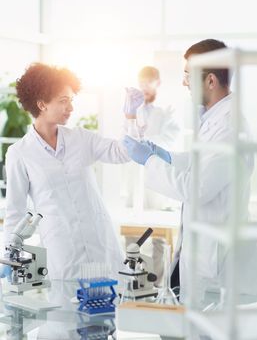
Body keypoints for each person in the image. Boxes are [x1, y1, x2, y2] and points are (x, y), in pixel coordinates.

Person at [123, 39, 256, 304]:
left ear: (210, 81)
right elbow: (201, 163)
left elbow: (197, 187)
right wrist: (165, 155)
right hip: (200, 251)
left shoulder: (228, 125)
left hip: (214, 261)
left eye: (187, 75)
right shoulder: (213, 118)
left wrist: (150, 161)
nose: (184, 82)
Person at [1, 63, 130, 281]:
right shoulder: (19, 153)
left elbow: (122, 153)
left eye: (71, 100)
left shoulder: (80, 138)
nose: (70, 108)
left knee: (111, 304)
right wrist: (8, 255)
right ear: (42, 104)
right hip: (63, 253)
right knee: (66, 310)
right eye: (63, 101)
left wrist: (131, 118)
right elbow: (15, 211)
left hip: (100, 243)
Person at [123, 66, 180, 286]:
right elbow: (125, 139)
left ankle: (157, 284)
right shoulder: (132, 110)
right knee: (131, 227)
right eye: (141, 82)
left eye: (149, 82)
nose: (144, 86)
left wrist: (147, 140)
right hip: (134, 178)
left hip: (156, 177)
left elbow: (171, 141)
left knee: (158, 232)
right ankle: (133, 277)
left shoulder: (166, 113)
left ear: (158, 83)